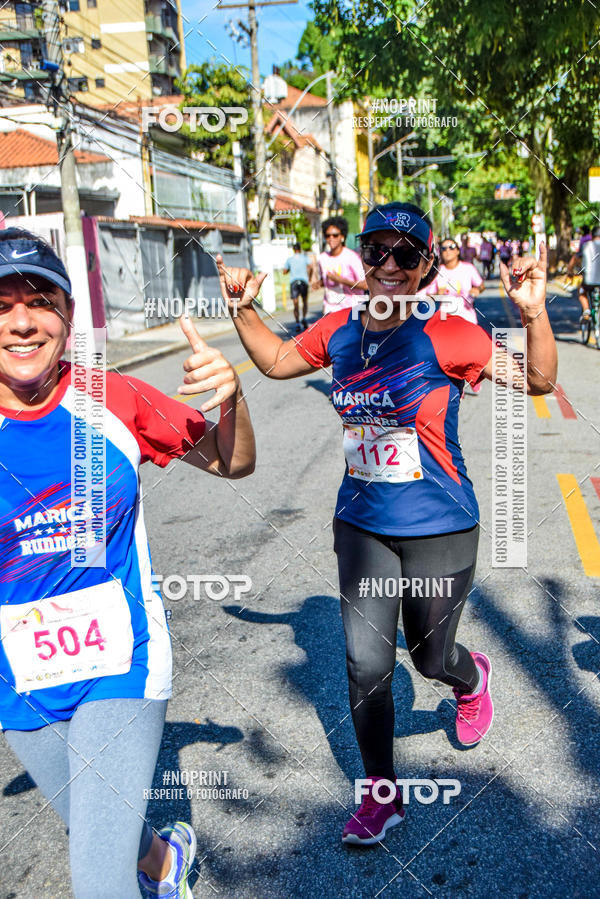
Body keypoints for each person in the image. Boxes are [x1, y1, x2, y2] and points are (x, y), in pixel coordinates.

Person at [216, 201, 557, 847]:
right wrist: (241, 308)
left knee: (430, 657)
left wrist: (533, 313)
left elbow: (538, 380)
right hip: (363, 524)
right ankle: (382, 793)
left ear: (429, 263)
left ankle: (470, 675)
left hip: (440, 522)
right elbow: (279, 360)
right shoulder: (340, 326)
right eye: (377, 250)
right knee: (366, 663)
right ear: (361, 258)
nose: (390, 264)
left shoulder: (450, 332)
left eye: (407, 253)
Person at [0, 228, 256, 896]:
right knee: (98, 820)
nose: (23, 321)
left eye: (40, 301)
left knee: (97, 879)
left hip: (124, 662)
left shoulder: (115, 400)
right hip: (19, 677)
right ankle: (164, 858)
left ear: (68, 317)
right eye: (1, 304)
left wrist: (231, 397)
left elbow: (234, 461)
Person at [422, 237, 485, 325]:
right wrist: (437, 295)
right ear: (440, 252)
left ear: (458, 251)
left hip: (467, 318)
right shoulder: (437, 271)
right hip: (444, 320)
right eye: (444, 248)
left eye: (451, 247)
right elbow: (427, 295)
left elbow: (481, 285)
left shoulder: (468, 268)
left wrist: (477, 290)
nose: (448, 251)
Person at [316, 216, 368, 315]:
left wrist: (340, 280)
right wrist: (319, 283)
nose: (331, 238)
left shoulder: (352, 257)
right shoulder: (322, 258)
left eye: (335, 235)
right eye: (328, 235)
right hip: (330, 311)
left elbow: (365, 285)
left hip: (351, 311)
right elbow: (325, 282)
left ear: (342, 236)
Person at [283, 242, 314, 332]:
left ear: (293, 249)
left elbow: (284, 271)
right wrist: (310, 277)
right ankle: (304, 318)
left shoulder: (290, 259)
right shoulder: (304, 258)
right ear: (300, 249)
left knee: (295, 304)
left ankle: (297, 323)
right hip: (304, 281)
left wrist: (289, 269)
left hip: (294, 282)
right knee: (304, 302)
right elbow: (311, 267)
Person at [579, 226, 600, 318]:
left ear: (592, 235)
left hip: (589, 282)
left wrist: (570, 270)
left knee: (581, 292)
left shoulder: (586, 246)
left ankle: (586, 310)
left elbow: (575, 259)